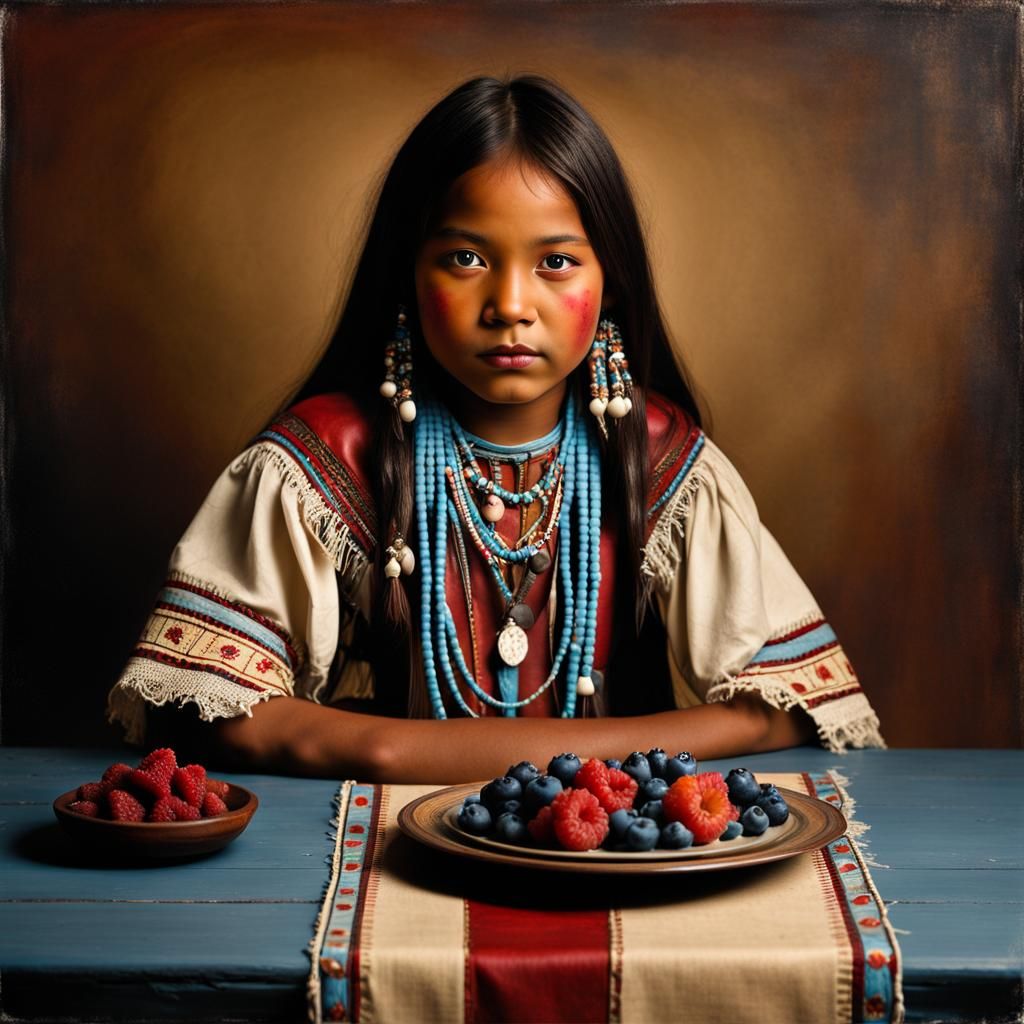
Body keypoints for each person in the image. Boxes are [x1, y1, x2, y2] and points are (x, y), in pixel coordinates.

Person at [107, 75, 885, 783]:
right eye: (467, 257)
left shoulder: (658, 456)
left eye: (555, 263)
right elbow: (208, 713)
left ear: (609, 281)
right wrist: (386, 749)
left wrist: (403, 749)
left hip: (611, 848)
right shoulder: (325, 458)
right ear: (408, 274)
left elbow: (791, 703)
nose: (511, 303)